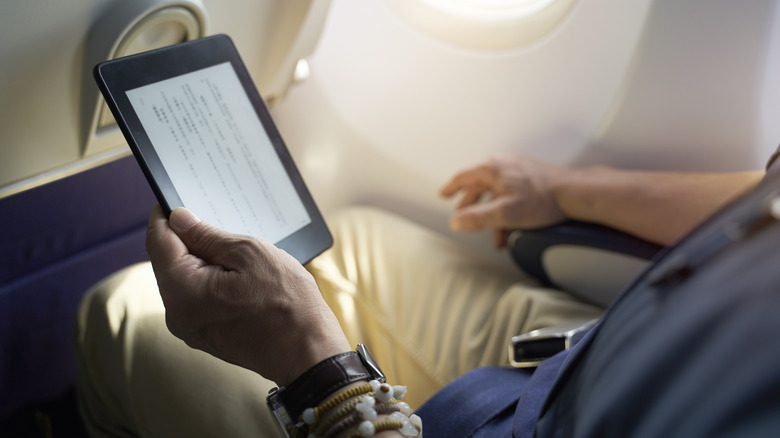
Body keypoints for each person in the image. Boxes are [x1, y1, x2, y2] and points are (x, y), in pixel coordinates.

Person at [75, 151, 773, 437]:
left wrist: (320, 373)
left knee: (124, 310)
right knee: (351, 240)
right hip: (584, 353)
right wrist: (566, 189)